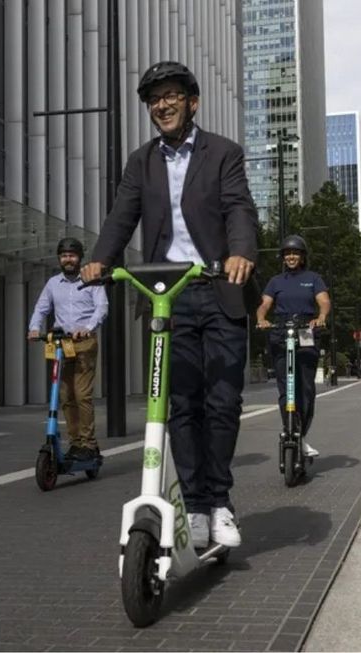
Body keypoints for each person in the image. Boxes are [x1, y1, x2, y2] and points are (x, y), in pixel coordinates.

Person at [81, 61, 258, 550]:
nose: (162, 104)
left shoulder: (223, 153)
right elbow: (123, 216)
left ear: (192, 102)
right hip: (169, 294)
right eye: (154, 99)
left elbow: (239, 207)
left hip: (218, 286)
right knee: (180, 404)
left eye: (171, 95)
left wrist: (240, 252)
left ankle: (219, 502)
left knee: (222, 402)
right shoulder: (140, 163)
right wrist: (100, 261)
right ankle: (195, 507)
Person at [28, 237, 109, 460]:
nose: (68, 259)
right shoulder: (53, 284)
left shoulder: (92, 281)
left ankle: (89, 444)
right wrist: (34, 328)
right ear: (59, 259)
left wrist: (88, 327)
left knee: (82, 394)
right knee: (65, 395)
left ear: (79, 258)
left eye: (72, 255)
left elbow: (101, 308)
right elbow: (41, 308)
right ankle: (75, 443)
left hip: (84, 342)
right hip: (61, 344)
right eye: (64, 256)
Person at [255, 235, 331, 458]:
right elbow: (264, 304)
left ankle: (302, 435)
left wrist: (321, 317)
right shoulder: (276, 281)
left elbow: (324, 301)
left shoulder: (313, 278)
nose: (291, 257)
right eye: (287, 253)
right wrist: (262, 319)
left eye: (295, 253)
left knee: (306, 389)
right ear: (283, 257)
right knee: (285, 388)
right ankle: (289, 428)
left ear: (302, 256)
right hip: (280, 331)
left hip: (306, 329)